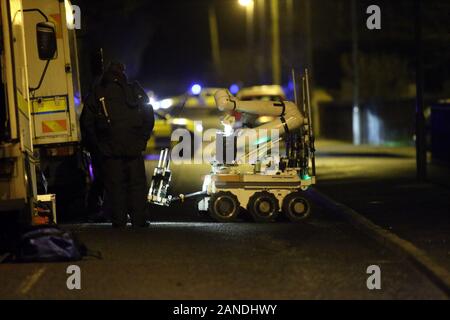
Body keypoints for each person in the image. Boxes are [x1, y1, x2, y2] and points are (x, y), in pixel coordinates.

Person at [80, 61, 154, 228]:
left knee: (116, 186)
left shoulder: (98, 93)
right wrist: (142, 138)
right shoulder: (135, 90)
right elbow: (149, 114)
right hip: (134, 147)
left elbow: (87, 122)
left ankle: (119, 221)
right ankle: (139, 220)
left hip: (109, 149)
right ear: (123, 73)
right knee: (136, 184)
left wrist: (96, 146)